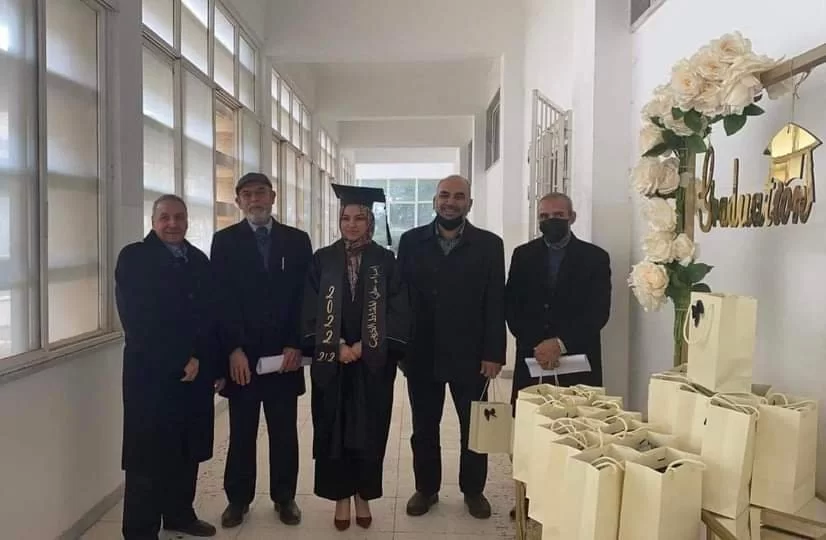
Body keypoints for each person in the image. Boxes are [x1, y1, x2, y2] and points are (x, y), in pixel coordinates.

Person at [397, 174, 506, 520]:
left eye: (459, 196)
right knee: (423, 428)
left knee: (473, 427)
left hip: (472, 355)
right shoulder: (411, 242)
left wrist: (494, 353)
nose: (450, 202)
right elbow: (401, 298)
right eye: (444, 195)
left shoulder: (489, 245)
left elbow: (496, 302)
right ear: (435, 201)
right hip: (422, 352)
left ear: (469, 204)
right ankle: (426, 489)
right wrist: (401, 349)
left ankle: (473, 490)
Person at [302, 184, 409, 531]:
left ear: (370, 222)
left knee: (369, 429)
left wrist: (364, 346)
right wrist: (336, 347)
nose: (351, 224)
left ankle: (364, 494)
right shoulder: (322, 259)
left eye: (359, 218)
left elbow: (398, 309)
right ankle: (341, 497)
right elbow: (309, 309)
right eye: (346, 218)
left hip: (372, 362)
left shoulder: (386, 261)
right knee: (333, 428)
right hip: (332, 361)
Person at [115, 194, 223, 540]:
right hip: (151, 376)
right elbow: (138, 321)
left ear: (188, 221)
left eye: (179, 217)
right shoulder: (134, 258)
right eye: (165, 217)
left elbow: (211, 318)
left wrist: (208, 363)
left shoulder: (199, 260)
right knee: (148, 457)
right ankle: (140, 530)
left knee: (186, 449)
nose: (173, 224)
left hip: (196, 375)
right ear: (153, 221)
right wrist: (180, 360)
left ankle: (179, 515)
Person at [210, 173, 313, 528]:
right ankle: (238, 499)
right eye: (247, 194)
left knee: (284, 431)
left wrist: (296, 343)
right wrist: (233, 349)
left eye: (261, 193)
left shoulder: (297, 241)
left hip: (285, 355)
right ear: (238, 201)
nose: (255, 200)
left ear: (273, 197)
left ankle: (285, 497)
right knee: (242, 432)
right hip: (244, 359)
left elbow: (305, 297)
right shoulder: (225, 242)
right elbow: (221, 300)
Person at [505, 192, 611, 518]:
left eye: (558, 216)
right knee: (530, 430)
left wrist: (560, 344)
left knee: (575, 429)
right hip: (532, 357)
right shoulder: (523, 255)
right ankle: (528, 496)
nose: (551, 221)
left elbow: (598, 312)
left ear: (572, 217)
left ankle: (568, 498)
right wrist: (538, 344)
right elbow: (512, 306)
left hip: (578, 360)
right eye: (545, 216)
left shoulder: (595, 258)